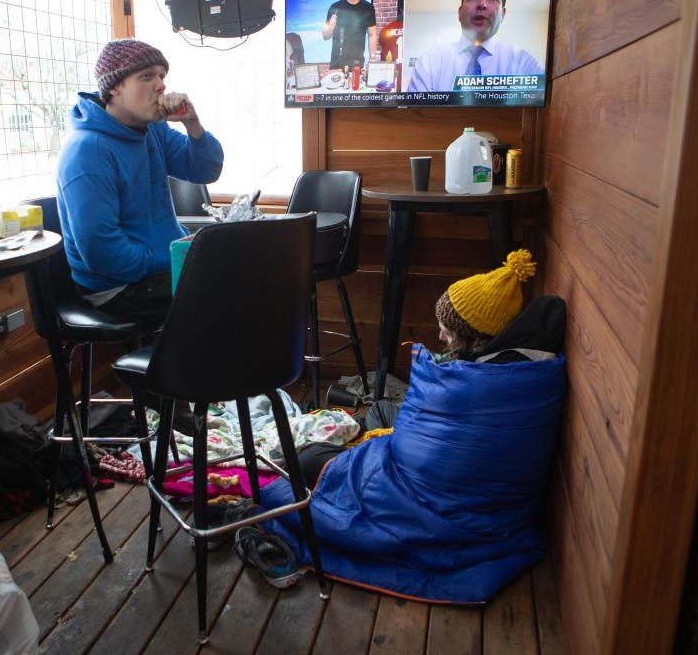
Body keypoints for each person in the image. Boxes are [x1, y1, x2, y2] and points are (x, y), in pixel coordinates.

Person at [263, 250, 568, 605]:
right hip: (452, 488)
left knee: (307, 463)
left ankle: (317, 470)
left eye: (447, 328)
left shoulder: (473, 385)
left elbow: (424, 448)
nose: (439, 334)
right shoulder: (515, 366)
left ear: (473, 336)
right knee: (375, 414)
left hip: (425, 502)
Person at [56, 39, 223, 324]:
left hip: (159, 267)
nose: (160, 86)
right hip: (115, 287)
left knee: (246, 270)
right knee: (227, 293)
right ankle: (181, 369)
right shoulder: (88, 152)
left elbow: (206, 170)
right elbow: (104, 254)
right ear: (113, 87)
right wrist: (175, 255)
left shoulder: (153, 130)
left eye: (161, 75)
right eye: (146, 76)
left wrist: (192, 124)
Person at [407, 0, 544, 93]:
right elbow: (416, 117)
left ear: (502, 14)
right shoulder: (429, 63)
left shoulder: (524, 65)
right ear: (460, 12)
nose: (482, 4)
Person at [322, 0, 378, 71]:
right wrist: (330, 27)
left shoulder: (368, 8)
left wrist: (373, 58)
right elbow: (325, 36)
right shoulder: (335, 7)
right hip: (336, 65)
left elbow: (372, 34)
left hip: (357, 64)